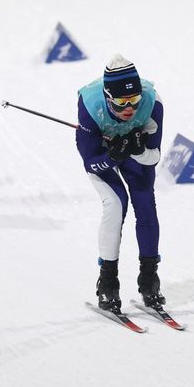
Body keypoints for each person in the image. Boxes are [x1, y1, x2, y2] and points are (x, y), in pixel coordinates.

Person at [76, 54, 165, 312]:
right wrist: (112, 154)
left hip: (132, 151)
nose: (130, 108)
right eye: (121, 101)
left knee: (145, 202)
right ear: (107, 96)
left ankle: (149, 279)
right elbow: (91, 164)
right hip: (102, 152)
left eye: (134, 99)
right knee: (116, 204)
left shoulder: (152, 104)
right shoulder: (91, 107)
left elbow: (154, 157)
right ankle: (108, 283)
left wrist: (136, 149)